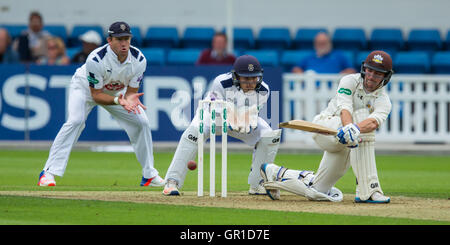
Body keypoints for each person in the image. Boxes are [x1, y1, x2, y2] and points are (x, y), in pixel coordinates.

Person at [38, 21, 165, 187]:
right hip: (85, 89)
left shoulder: (139, 60)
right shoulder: (96, 60)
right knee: (76, 121)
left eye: (127, 38)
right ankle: (48, 173)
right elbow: (96, 95)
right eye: (119, 39)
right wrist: (117, 100)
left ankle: (149, 175)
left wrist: (129, 99)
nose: (124, 43)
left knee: (142, 122)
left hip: (116, 93)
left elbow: (131, 93)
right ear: (109, 40)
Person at [261, 50, 393, 203]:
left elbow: (374, 122)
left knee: (317, 191)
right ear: (364, 68)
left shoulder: (384, 101)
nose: (371, 76)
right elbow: (345, 108)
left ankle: (275, 173)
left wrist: (354, 130)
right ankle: (370, 191)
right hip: (326, 128)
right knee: (361, 116)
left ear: (386, 76)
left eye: (377, 73)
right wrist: (350, 127)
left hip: (348, 142)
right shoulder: (349, 81)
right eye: (370, 70)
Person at [163, 55, 281, 196]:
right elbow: (216, 110)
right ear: (236, 76)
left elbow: (252, 113)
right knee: (192, 133)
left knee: (269, 135)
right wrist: (232, 120)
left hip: (241, 119)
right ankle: (172, 181)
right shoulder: (221, 82)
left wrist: (247, 123)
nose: (250, 83)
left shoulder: (264, 90)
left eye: (254, 78)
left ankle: (258, 183)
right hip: (211, 115)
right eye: (246, 78)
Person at [292, 32, 356, 74]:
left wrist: (340, 76)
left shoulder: (339, 56)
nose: (322, 45)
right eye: (319, 43)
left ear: (330, 43)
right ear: (315, 44)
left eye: (324, 43)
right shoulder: (308, 57)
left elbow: (351, 71)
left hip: (333, 89)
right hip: (310, 89)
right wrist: (302, 76)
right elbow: (296, 69)